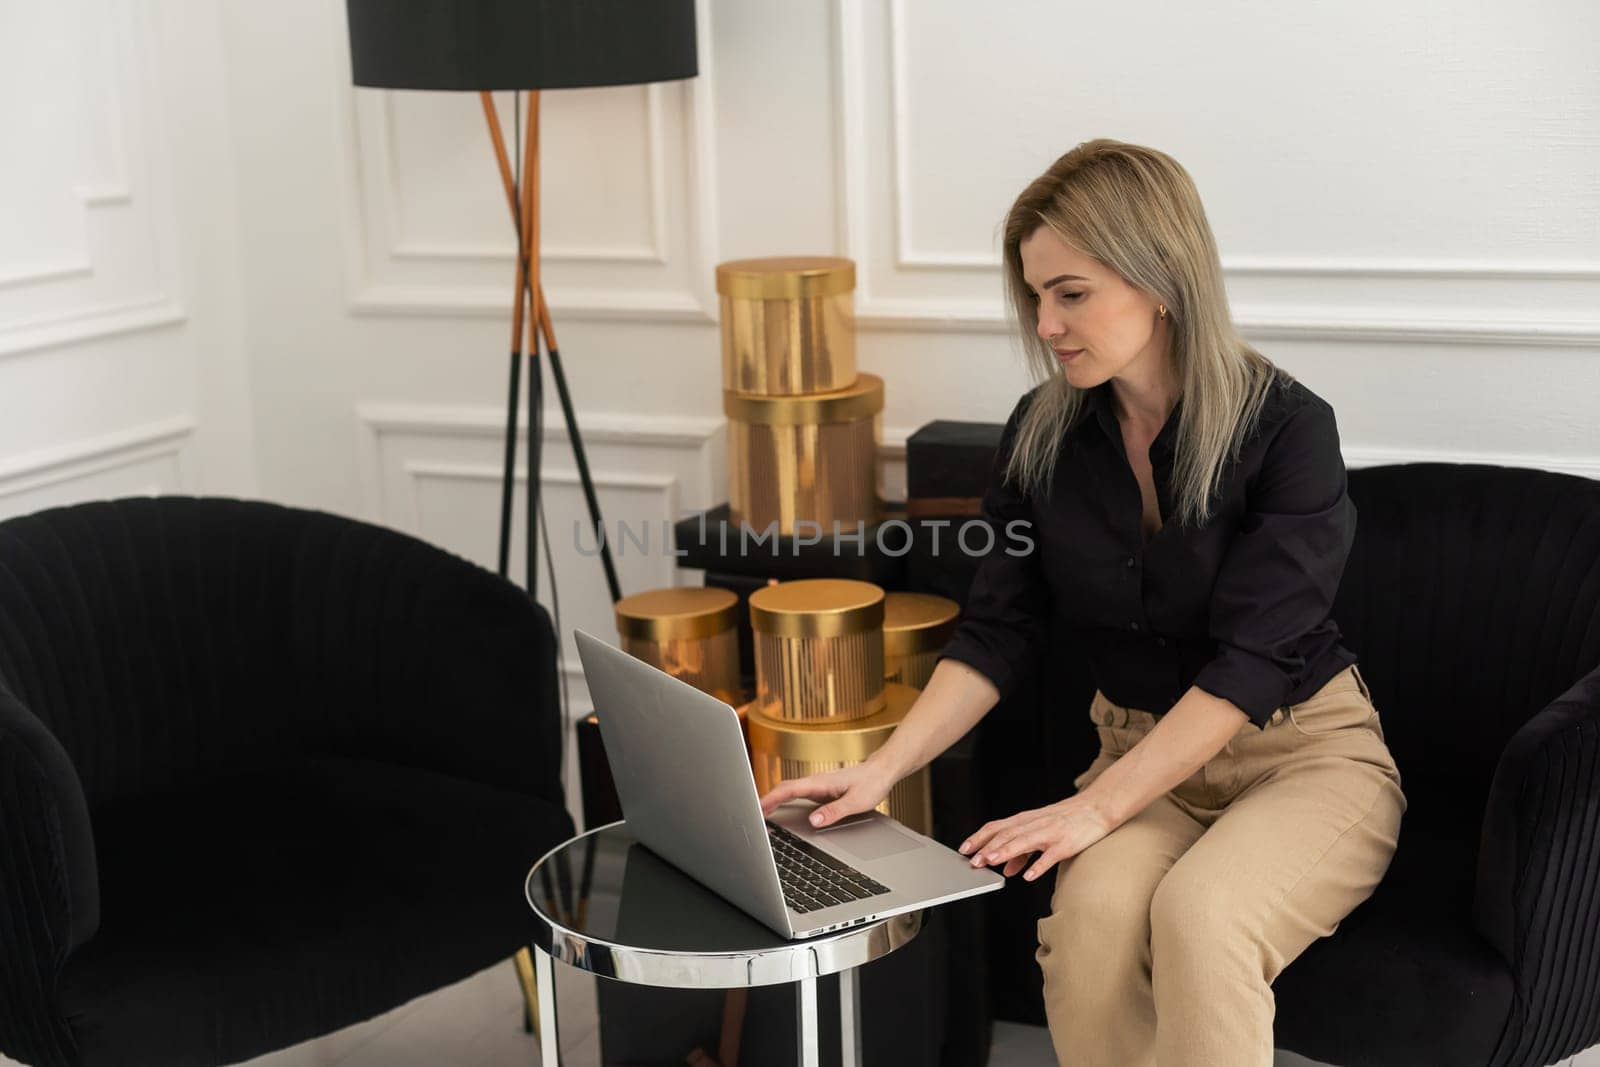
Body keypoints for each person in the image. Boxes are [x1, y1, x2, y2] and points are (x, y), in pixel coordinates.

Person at [757, 139, 1406, 1067]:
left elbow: (1253, 662)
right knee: (1089, 929)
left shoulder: (1289, 431)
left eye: (1071, 292)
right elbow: (996, 631)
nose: (1046, 322)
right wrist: (881, 768)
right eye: (1035, 296)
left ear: (1161, 279)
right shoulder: (1042, 434)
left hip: (1300, 756)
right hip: (1142, 754)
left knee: (1203, 916)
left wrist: (1095, 811)